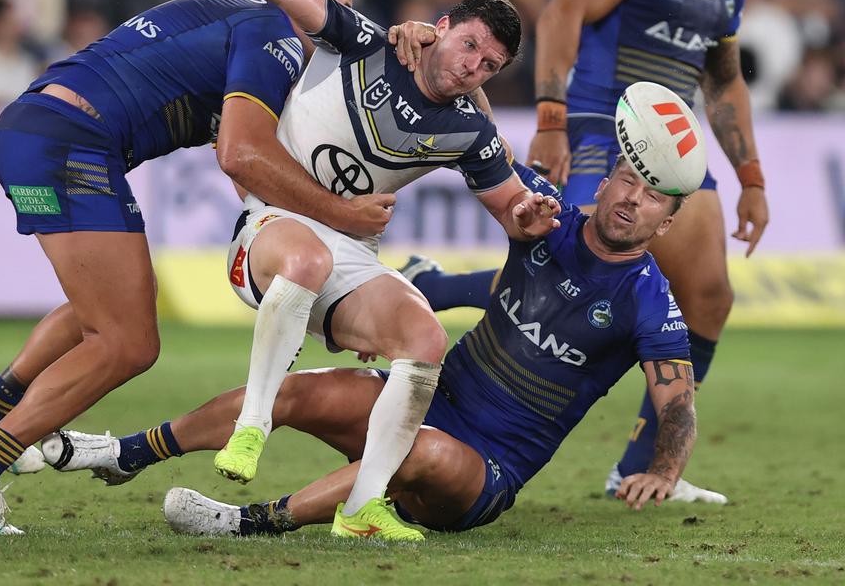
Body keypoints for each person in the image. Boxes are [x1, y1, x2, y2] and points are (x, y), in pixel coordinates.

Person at [44, 0, 560, 543]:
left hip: (352, 251)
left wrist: (528, 215)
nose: (471, 66)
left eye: (488, 65)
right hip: (272, 227)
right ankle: (253, 423)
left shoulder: (469, 130)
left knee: (424, 340)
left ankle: (364, 507)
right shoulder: (368, 42)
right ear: (442, 26)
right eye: (469, 45)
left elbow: (510, 204)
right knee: (306, 261)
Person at [0, 0, 399, 536]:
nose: (340, 35)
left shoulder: (235, 19)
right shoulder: (275, 35)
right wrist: (343, 215)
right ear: (304, 0)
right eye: (337, 16)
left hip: (36, 130)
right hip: (74, 147)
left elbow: (247, 171)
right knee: (129, 343)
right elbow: (242, 156)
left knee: (112, 302)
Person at [47, 157, 698, 539]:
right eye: (627, 182)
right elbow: (479, 144)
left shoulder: (648, 298)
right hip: (426, 399)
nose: (632, 201)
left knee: (416, 451)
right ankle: (128, 452)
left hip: (483, 470)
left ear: (664, 224)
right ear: (606, 181)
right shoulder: (543, 217)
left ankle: (251, 521)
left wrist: (663, 469)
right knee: (300, 390)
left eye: (651, 200)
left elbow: (677, 401)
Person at [421, 0, 768, 503]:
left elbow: (723, 82)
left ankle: (639, 467)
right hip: (603, 130)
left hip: (673, 149)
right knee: (563, 274)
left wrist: (752, 178)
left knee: (709, 299)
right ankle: (426, 287)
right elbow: (562, 11)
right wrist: (550, 117)